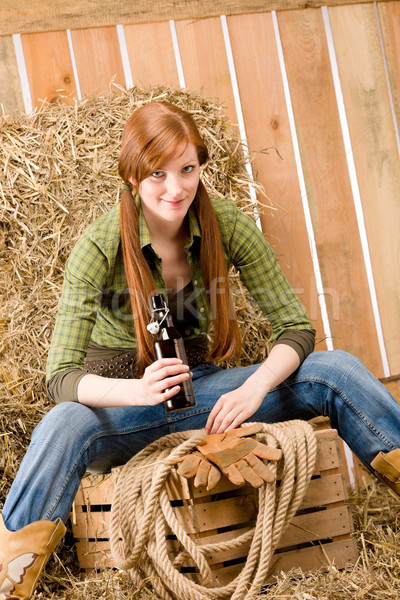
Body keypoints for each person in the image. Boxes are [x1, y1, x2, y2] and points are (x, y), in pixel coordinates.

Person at [1, 101, 400, 600]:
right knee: (61, 423)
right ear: (131, 178)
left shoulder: (223, 223)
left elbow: (296, 328)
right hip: (124, 414)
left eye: (187, 169)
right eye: (158, 174)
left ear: (200, 165)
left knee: (334, 368)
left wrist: (254, 388)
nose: (176, 189)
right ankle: (8, 582)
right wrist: (138, 390)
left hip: (205, 396)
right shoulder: (98, 246)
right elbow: (60, 377)